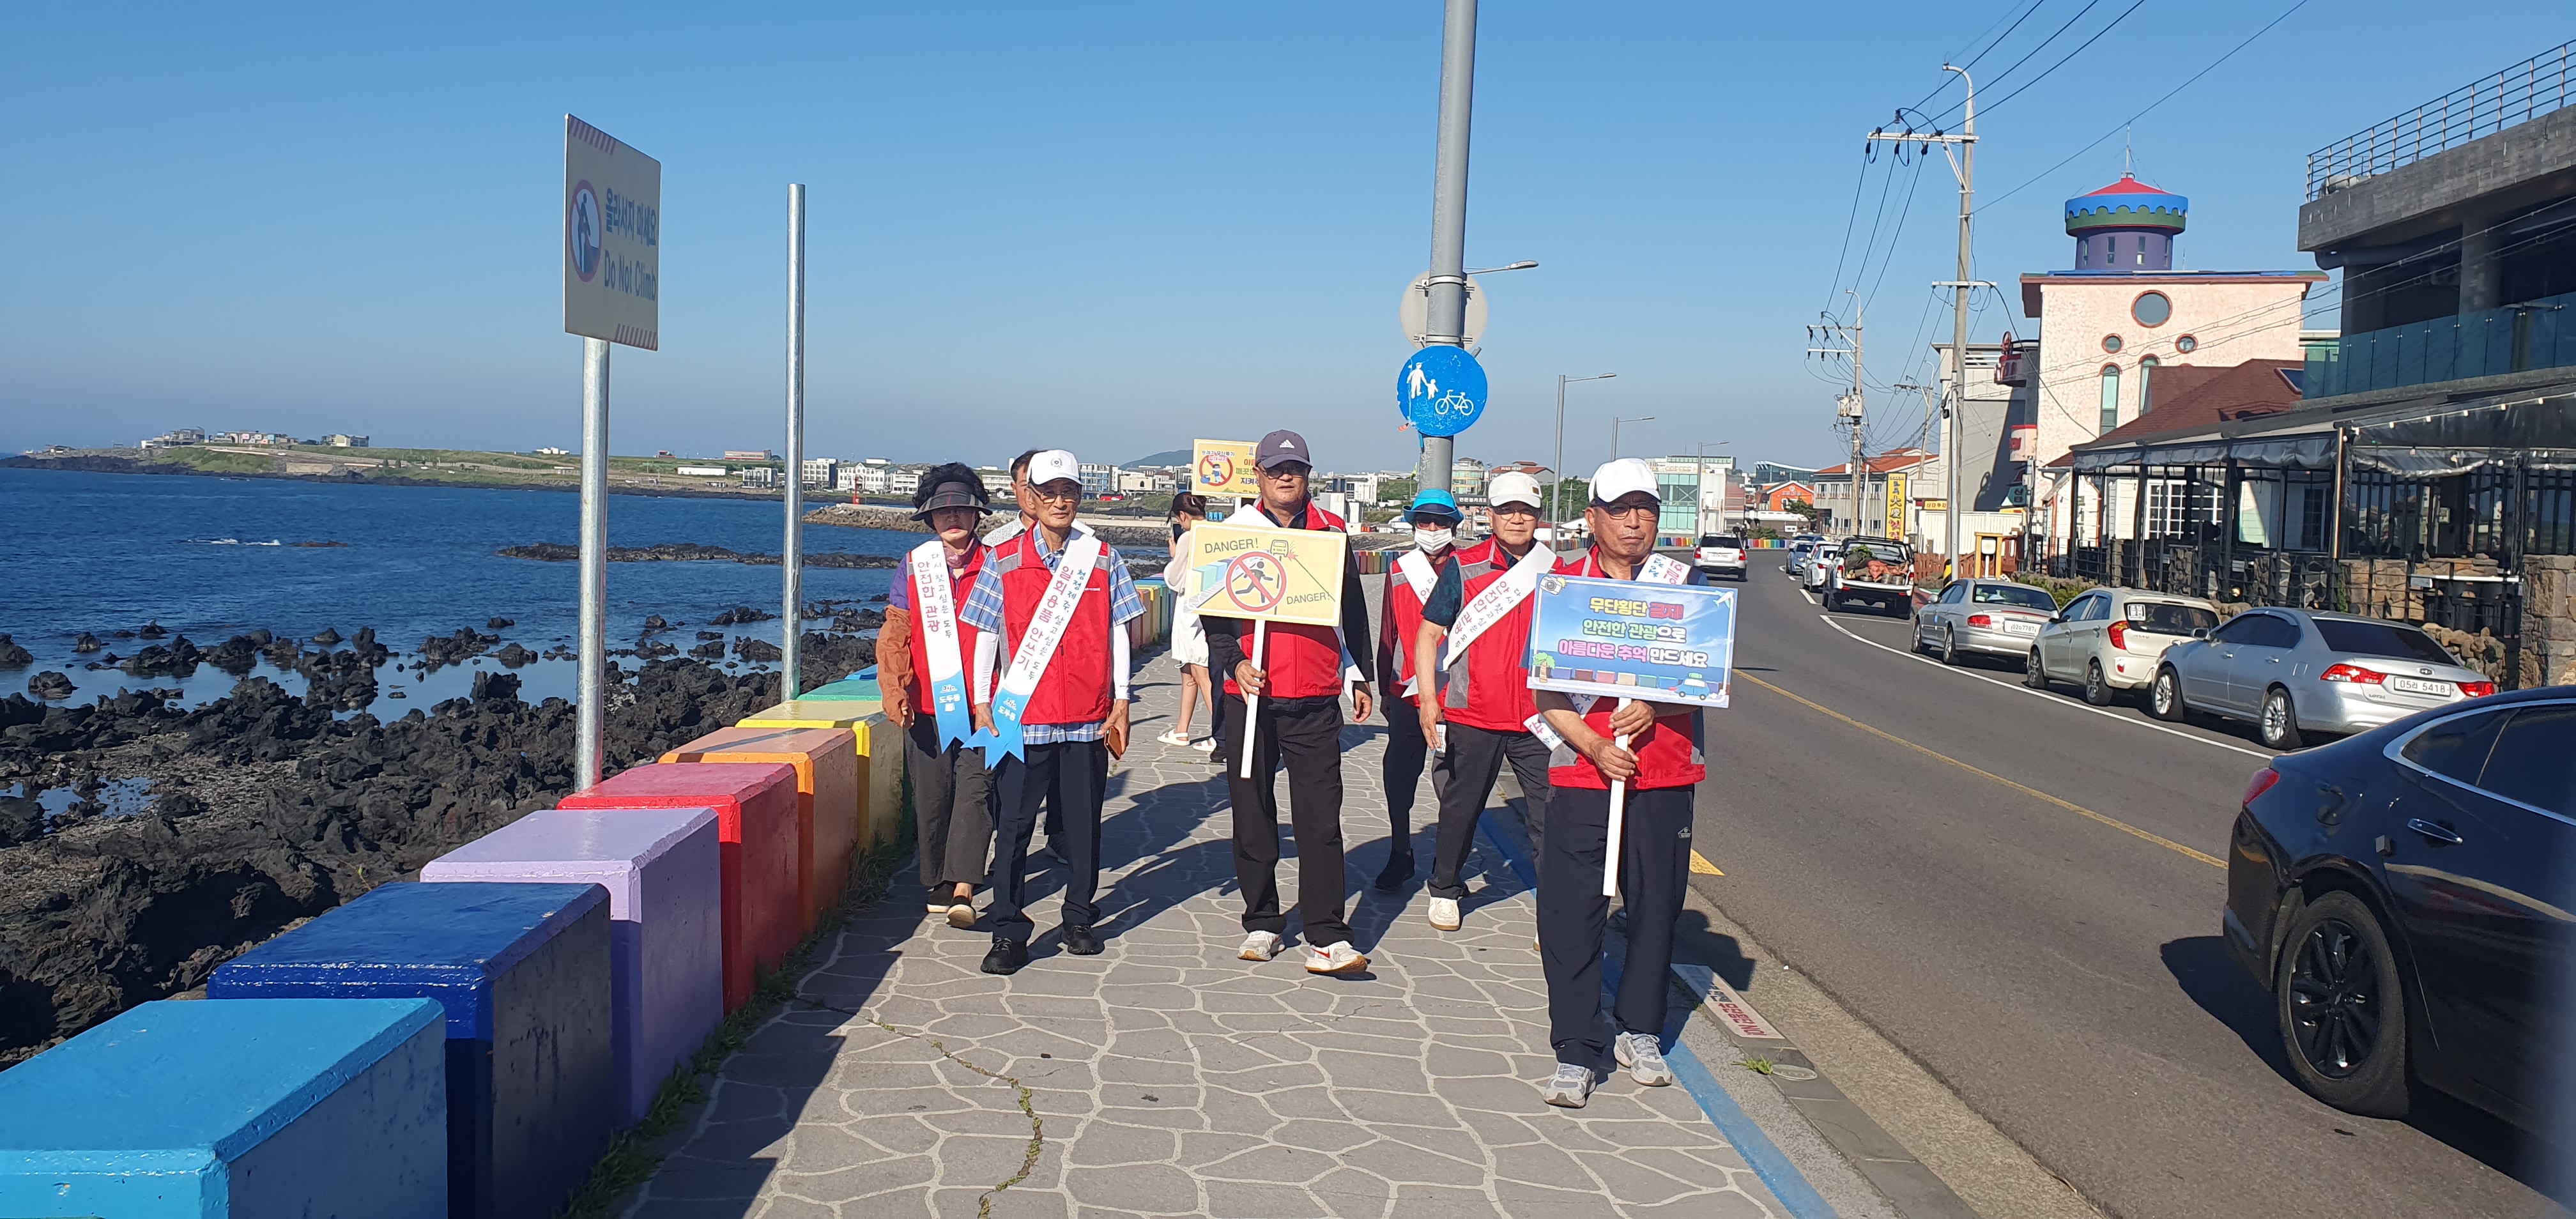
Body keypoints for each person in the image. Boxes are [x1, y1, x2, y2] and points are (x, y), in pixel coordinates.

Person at [1532, 459, 1704, 1108]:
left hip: (1665, 774)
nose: (1637, 522)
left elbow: (1708, 673)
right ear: (1594, 517)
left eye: (1648, 510)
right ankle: (1577, 1048)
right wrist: (1596, 745)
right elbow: (1545, 689)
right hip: (1583, 774)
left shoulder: (1684, 583)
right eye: (1622, 509)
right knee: (1571, 914)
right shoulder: (1563, 586)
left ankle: (1640, 1028)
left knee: (1657, 908)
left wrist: (1656, 705)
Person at [1202, 429, 1376, 975]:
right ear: (1258, 475)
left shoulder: (1332, 533)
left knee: (1321, 819)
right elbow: (1213, 618)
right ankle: (1262, 920)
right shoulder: (1232, 534)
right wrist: (1234, 662)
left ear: (1308, 474)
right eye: (1275, 468)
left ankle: (1327, 931)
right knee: (1252, 814)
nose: (1285, 477)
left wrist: (1360, 676)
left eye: (1295, 468)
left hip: (1316, 697)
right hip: (1249, 698)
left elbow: (1352, 611)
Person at [965, 450, 1142, 976]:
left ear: (1079, 497)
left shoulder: (1103, 558)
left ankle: (1079, 916)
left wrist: (1123, 699)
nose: (1060, 501)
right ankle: (1008, 929)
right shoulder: (1003, 558)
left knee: (1085, 825)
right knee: (1015, 826)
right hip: (1023, 718)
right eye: (1049, 492)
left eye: (1069, 492)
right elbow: (985, 632)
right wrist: (980, 700)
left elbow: (1119, 632)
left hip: (1088, 718)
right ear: (1031, 498)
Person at [1414, 471, 1555, 932]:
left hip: (1540, 716)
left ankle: (1555, 909)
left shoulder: (1558, 572)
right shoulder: (1465, 566)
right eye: (1508, 510)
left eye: (1527, 511)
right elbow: (1429, 633)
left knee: (1548, 816)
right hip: (1473, 711)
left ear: (1539, 517)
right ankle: (1445, 887)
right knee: (1461, 805)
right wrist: (1429, 700)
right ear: (1489, 515)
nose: (1518, 519)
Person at [875, 463, 999, 928]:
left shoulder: (996, 564)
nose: (953, 518)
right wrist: (895, 688)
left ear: (976, 515)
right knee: (932, 794)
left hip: (982, 704)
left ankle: (965, 885)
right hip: (926, 702)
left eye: (963, 509)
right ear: (929, 516)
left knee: (975, 792)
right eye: (943, 510)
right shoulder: (914, 565)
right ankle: (939, 879)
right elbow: (896, 632)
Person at [988, 448, 1094, 864]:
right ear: (1023, 491)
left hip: (1071, 696)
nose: (1051, 500)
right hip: (1016, 692)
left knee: (1067, 790)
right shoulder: (998, 546)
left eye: (1064, 490)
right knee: (1012, 794)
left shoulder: (1088, 548)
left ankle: (1060, 837)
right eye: (1035, 488)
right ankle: (1006, 865)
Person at [1371, 487, 1464, 891]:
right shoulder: (1398, 569)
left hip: (1457, 692)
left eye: (1440, 522)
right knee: (1399, 775)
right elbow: (1388, 634)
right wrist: (1384, 690)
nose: (1431, 529)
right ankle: (1400, 850)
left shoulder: (1469, 569)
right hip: (1408, 689)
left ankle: (1448, 866)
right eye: (1423, 522)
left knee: (1452, 783)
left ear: (1453, 526)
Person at [1159, 493, 1222, 754]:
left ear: (1182, 516)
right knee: (1189, 671)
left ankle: (1222, 734)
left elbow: (1175, 580)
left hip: (1191, 609)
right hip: (1209, 604)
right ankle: (1182, 729)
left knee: (1199, 670)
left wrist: (1174, 556)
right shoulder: (1215, 533)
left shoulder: (1187, 538)